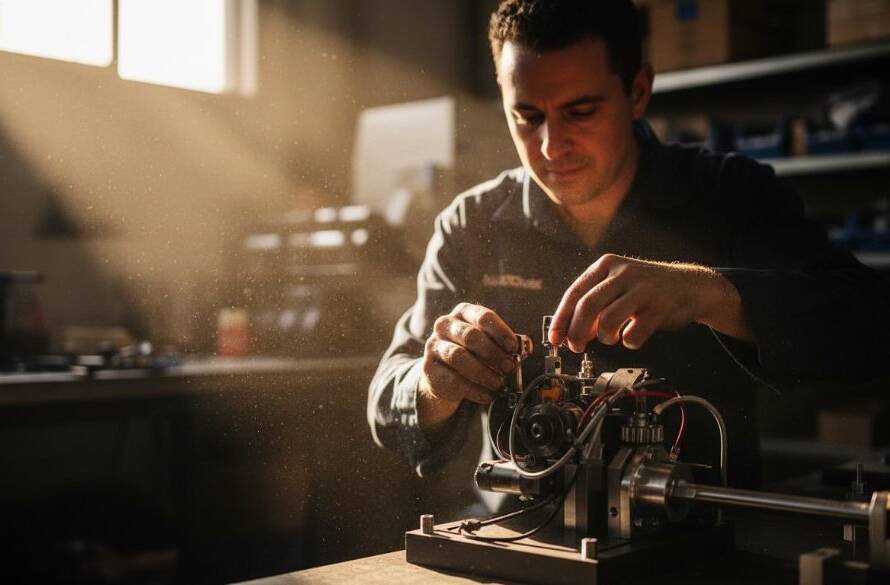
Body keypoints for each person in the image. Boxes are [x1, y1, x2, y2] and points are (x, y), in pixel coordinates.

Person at [367, 0, 890, 494]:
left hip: (696, 537)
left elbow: (868, 328)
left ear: (638, 92)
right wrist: (435, 382)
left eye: (581, 111)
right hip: (527, 537)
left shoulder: (733, 196)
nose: (551, 146)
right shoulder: (472, 223)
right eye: (527, 116)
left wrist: (710, 294)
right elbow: (388, 405)